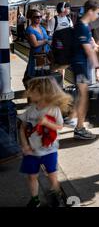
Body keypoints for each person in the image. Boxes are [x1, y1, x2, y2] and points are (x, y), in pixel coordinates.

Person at [18, 76, 72, 207]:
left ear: (43, 93)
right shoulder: (30, 110)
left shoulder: (54, 110)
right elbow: (22, 128)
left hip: (49, 150)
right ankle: (35, 199)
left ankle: (56, 195)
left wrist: (47, 122)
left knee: (52, 176)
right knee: (32, 176)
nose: (29, 93)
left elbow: (59, 126)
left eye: (33, 90)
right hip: (31, 151)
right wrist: (25, 145)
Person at [71, 0, 99, 140]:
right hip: (80, 65)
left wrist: (95, 45)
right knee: (84, 97)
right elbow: (89, 51)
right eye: (97, 13)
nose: (97, 16)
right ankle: (79, 128)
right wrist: (98, 68)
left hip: (81, 65)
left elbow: (91, 44)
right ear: (90, 11)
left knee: (81, 96)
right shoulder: (82, 27)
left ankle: (71, 118)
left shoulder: (85, 26)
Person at [23, 10, 51, 87]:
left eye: (40, 17)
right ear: (31, 18)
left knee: (44, 76)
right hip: (36, 57)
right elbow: (34, 44)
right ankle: (34, 94)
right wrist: (45, 41)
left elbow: (48, 38)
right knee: (36, 77)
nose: (39, 18)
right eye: (36, 17)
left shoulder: (42, 28)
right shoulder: (29, 29)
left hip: (45, 56)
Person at [47, 2, 74, 82]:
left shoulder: (69, 19)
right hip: (56, 49)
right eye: (67, 8)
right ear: (62, 9)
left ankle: (61, 84)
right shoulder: (53, 20)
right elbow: (49, 34)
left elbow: (71, 32)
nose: (69, 10)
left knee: (63, 67)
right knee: (54, 67)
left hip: (65, 49)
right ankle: (53, 84)